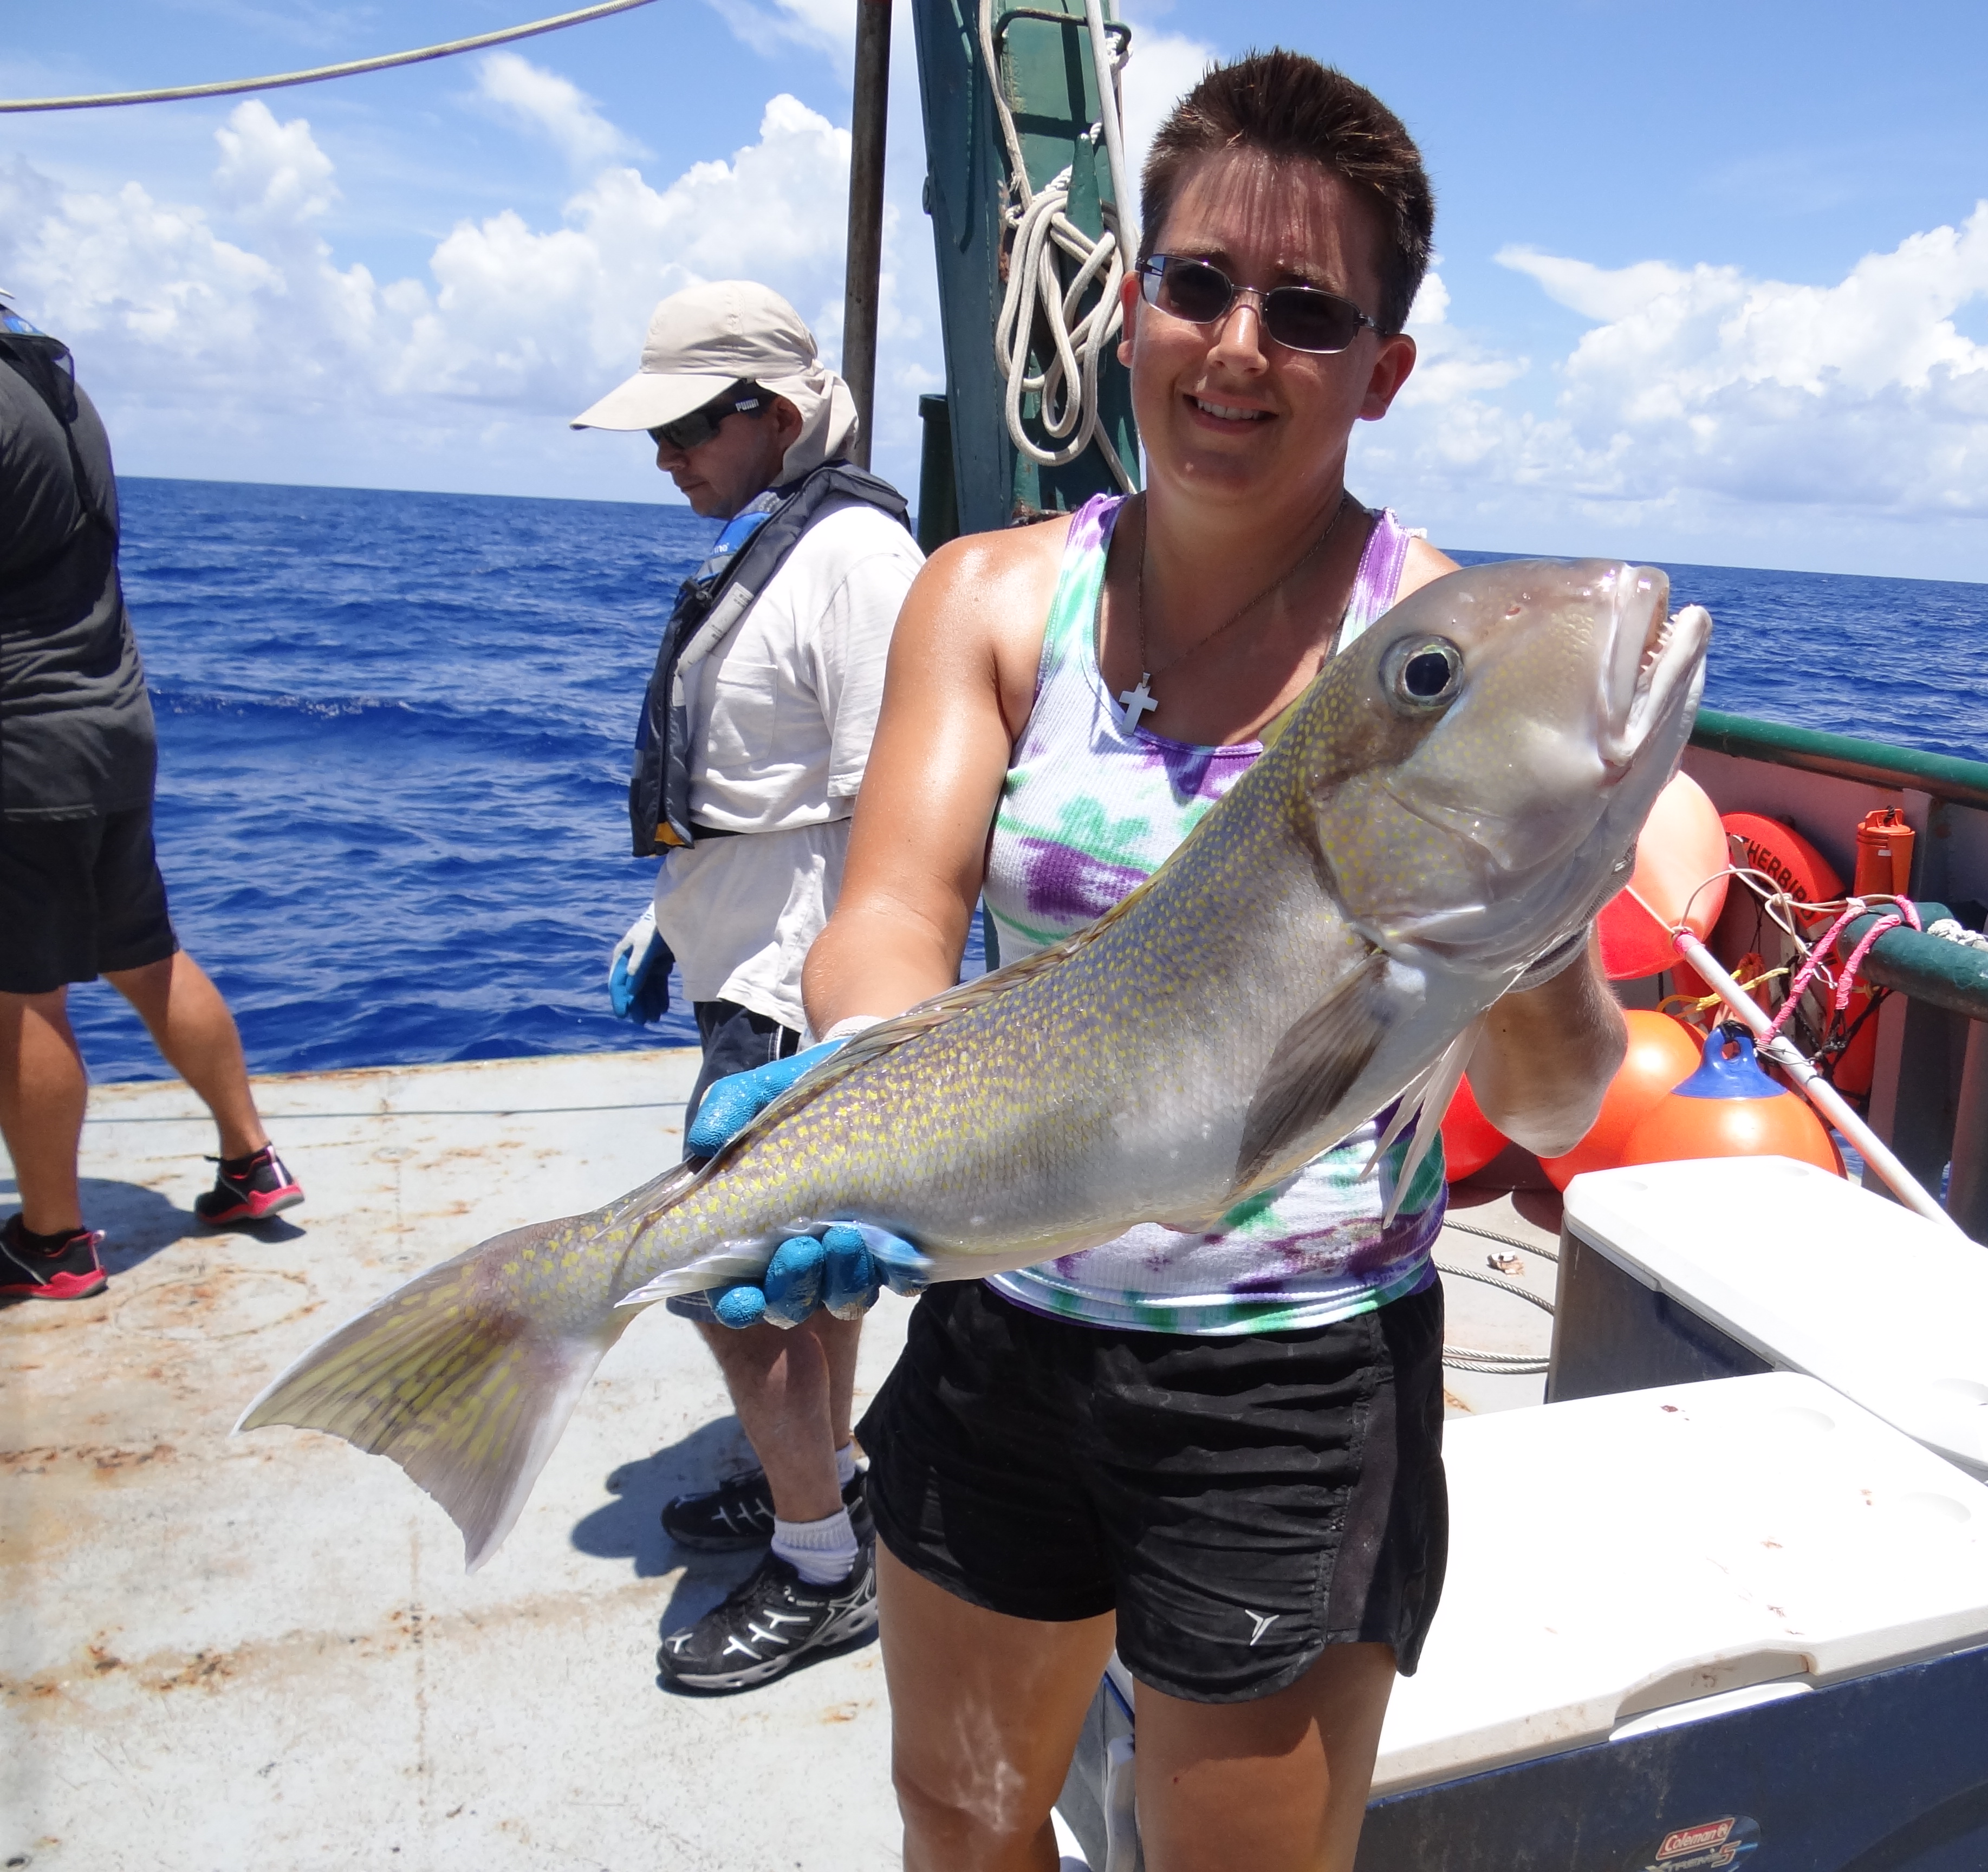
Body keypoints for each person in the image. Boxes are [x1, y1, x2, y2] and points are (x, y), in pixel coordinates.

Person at [702, 53, 1626, 1869]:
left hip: (1292, 1376)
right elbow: (892, 907)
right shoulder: (985, 597)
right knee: (959, 1813)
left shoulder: (1447, 657)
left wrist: (1530, 910)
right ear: (1128, 302)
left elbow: (1551, 1092)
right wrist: (873, 1070)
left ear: (1381, 371)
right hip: (1004, 1316)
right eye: (1194, 284)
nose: (1231, 349)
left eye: (1305, 312)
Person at [570, 281, 924, 1692]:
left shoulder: (856, 566)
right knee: (791, 1296)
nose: (663, 457)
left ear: (767, 416)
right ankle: (823, 1483)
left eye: (680, 429)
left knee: (729, 1286)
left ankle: (823, 1568)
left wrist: (844, 1039)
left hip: (793, 994)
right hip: (736, 959)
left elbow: (890, 816)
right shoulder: (773, 547)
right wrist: (669, 920)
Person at [2, 295, 303, 1304]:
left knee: (18, 991)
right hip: (113, 728)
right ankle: (250, 1163)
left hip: (21, 744)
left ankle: (53, 1244)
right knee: (145, 954)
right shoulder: (56, 388)